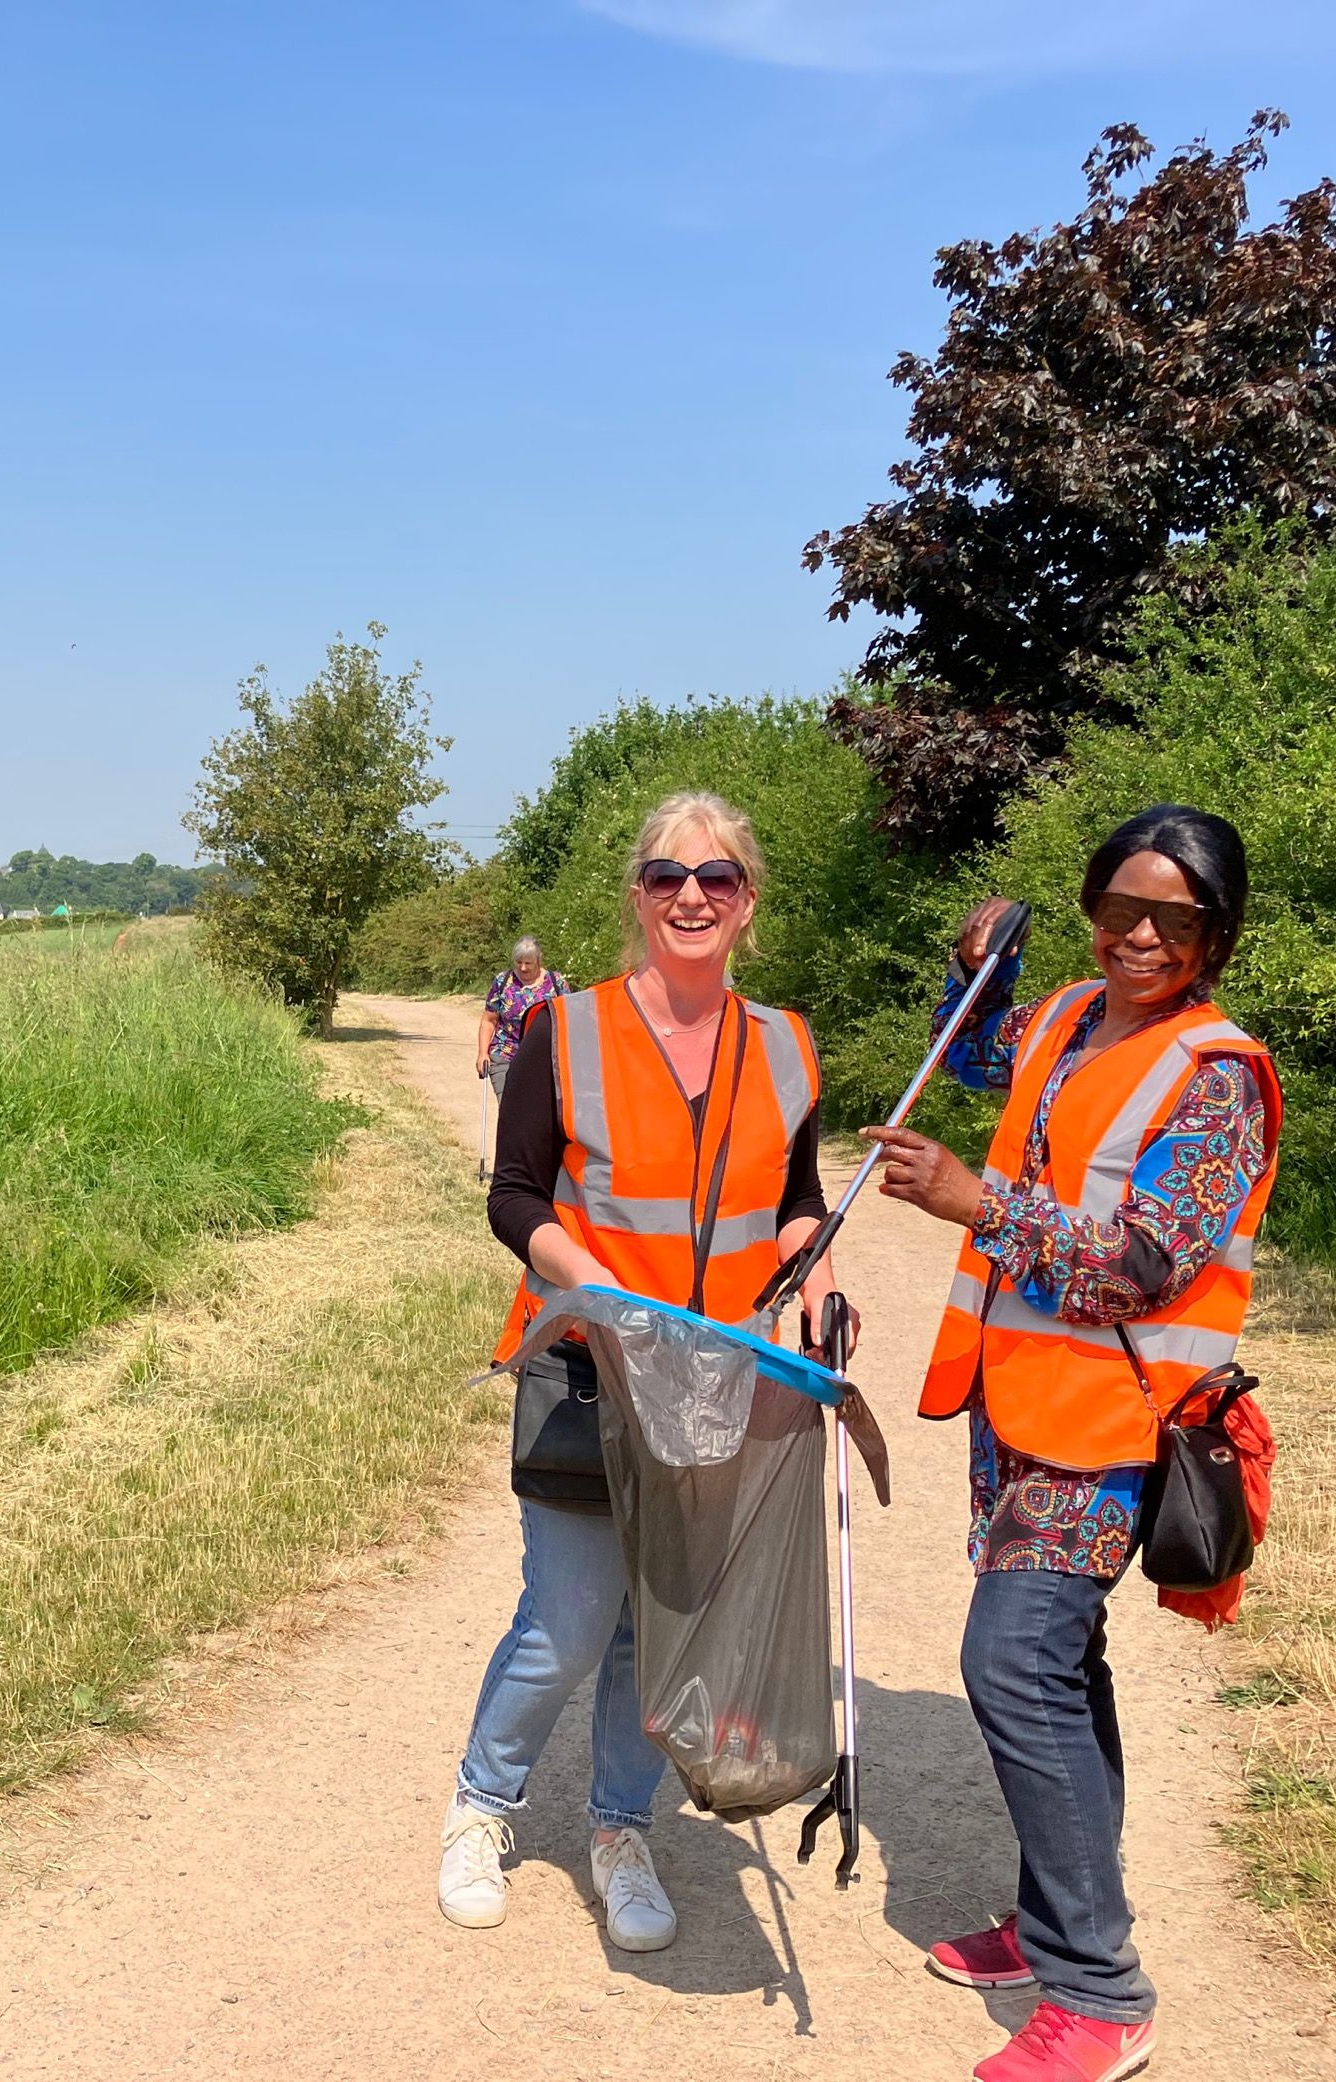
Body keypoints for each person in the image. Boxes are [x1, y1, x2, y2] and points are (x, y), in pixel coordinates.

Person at [861, 805, 1280, 2082]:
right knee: (1059, 1670)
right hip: (1019, 1405)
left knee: (1010, 1664)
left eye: (1173, 919)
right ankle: (1052, 1923)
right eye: (1118, 909)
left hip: (1119, 1423)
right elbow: (976, 1054)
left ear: (1216, 936)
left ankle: (1101, 1994)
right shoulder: (1062, 1017)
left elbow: (1149, 1263)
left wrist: (975, 1202)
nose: (1140, 937)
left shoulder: (1216, 1076)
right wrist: (975, 965)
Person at [440, 791, 852, 1954]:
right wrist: (599, 1290)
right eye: (668, 875)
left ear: (746, 902)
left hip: (720, 1382)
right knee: (570, 1624)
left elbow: (794, 1201)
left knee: (656, 1630)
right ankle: (482, 1804)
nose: (691, 896)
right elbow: (514, 1194)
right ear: (637, 895)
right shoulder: (564, 1031)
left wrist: (817, 1279)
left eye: (716, 878)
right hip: (590, 1371)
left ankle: (621, 1829)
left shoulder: (785, 1045)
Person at [475, 937, 568, 1100]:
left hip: (542, 1058)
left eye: (528, 963)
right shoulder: (502, 981)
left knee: (535, 1110)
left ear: (538, 960)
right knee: (508, 1106)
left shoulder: (556, 983)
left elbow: (568, 1020)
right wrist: (482, 1053)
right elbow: (489, 1020)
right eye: (519, 962)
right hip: (505, 1053)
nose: (523, 968)